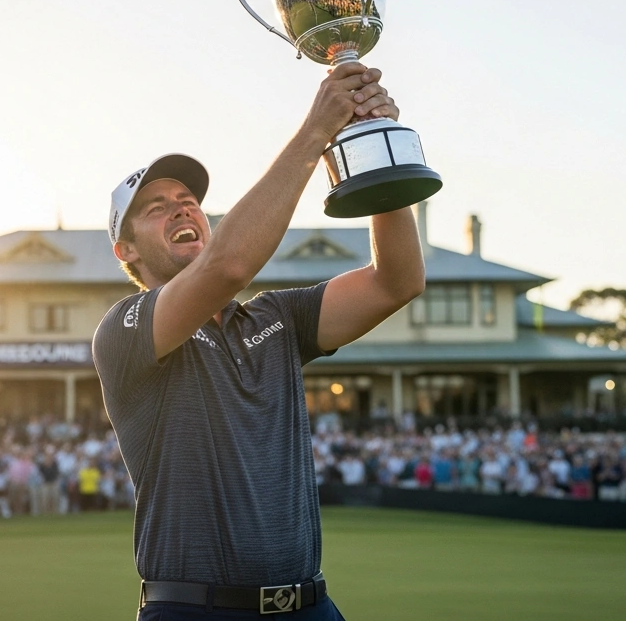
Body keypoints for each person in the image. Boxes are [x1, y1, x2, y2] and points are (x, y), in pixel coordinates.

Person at [94, 62, 418, 620]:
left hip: (311, 606)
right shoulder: (125, 330)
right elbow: (229, 266)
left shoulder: (277, 318)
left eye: (187, 198)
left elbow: (397, 281)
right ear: (127, 252)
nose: (181, 206)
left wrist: (374, 151)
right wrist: (317, 133)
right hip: (194, 611)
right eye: (156, 207)